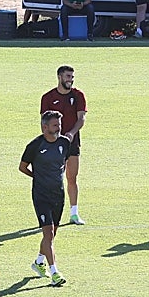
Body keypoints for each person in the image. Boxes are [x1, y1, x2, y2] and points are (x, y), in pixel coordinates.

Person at [18, 110, 70, 287]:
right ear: (44, 127)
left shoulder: (64, 142)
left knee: (52, 234)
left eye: (59, 125)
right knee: (48, 233)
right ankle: (55, 272)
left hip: (58, 194)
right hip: (41, 196)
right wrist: (37, 177)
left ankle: (39, 262)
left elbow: (63, 163)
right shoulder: (34, 145)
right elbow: (22, 167)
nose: (59, 128)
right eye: (55, 125)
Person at [40, 65, 87, 225]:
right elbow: (44, 122)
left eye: (72, 77)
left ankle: (74, 213)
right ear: (59, 77)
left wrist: (72, 133)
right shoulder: (47, 97)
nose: (70, 80)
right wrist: (51, 139)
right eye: (68, 76)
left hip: (72, 143)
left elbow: (81, 118)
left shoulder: (78, 95)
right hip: (53, 143)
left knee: (72, 178)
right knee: (54, 179)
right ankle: (51, 214)